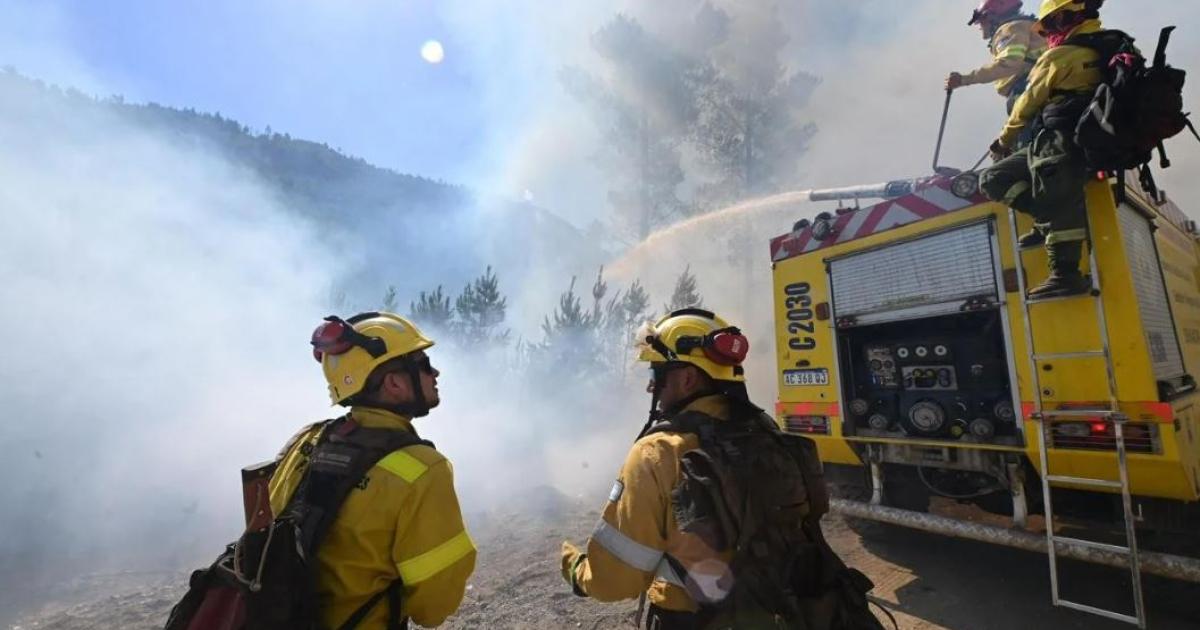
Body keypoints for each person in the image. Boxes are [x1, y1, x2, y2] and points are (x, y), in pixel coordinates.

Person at [560, 309, 873, 629]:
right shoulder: (767, 432)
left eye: (656, 376)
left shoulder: (659, 452)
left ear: (686, 378)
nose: (650, 389)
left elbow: (615, 581)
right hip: (790, 614)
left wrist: (575, 569)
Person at [269, 311, 476, 628]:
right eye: (422, 364)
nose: (434, 372)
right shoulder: (423, 470)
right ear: (393, 382)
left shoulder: (308, 440)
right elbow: (434, 607)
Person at [979, 0, 1107, 298]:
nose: (1045, 32)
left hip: (1061, 137)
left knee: (1053, 193)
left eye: (1048, 25)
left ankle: (1066, 274)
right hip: (1093, 134)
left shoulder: (1059, 56)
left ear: (1065, 18)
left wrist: (1003, 141)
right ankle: (1044, 222)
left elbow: (1027, 103)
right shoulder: (1114, 46)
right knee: (993, 178)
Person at [947, 0, 1047, 116]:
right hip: (1040, 85)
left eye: (982, 19)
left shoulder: (1010, 29)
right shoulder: (1026, 25)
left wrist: (964, 79)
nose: (979, 25)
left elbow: (1009, 64)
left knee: (1021, 132)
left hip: (1029, 90)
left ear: (993, 17)